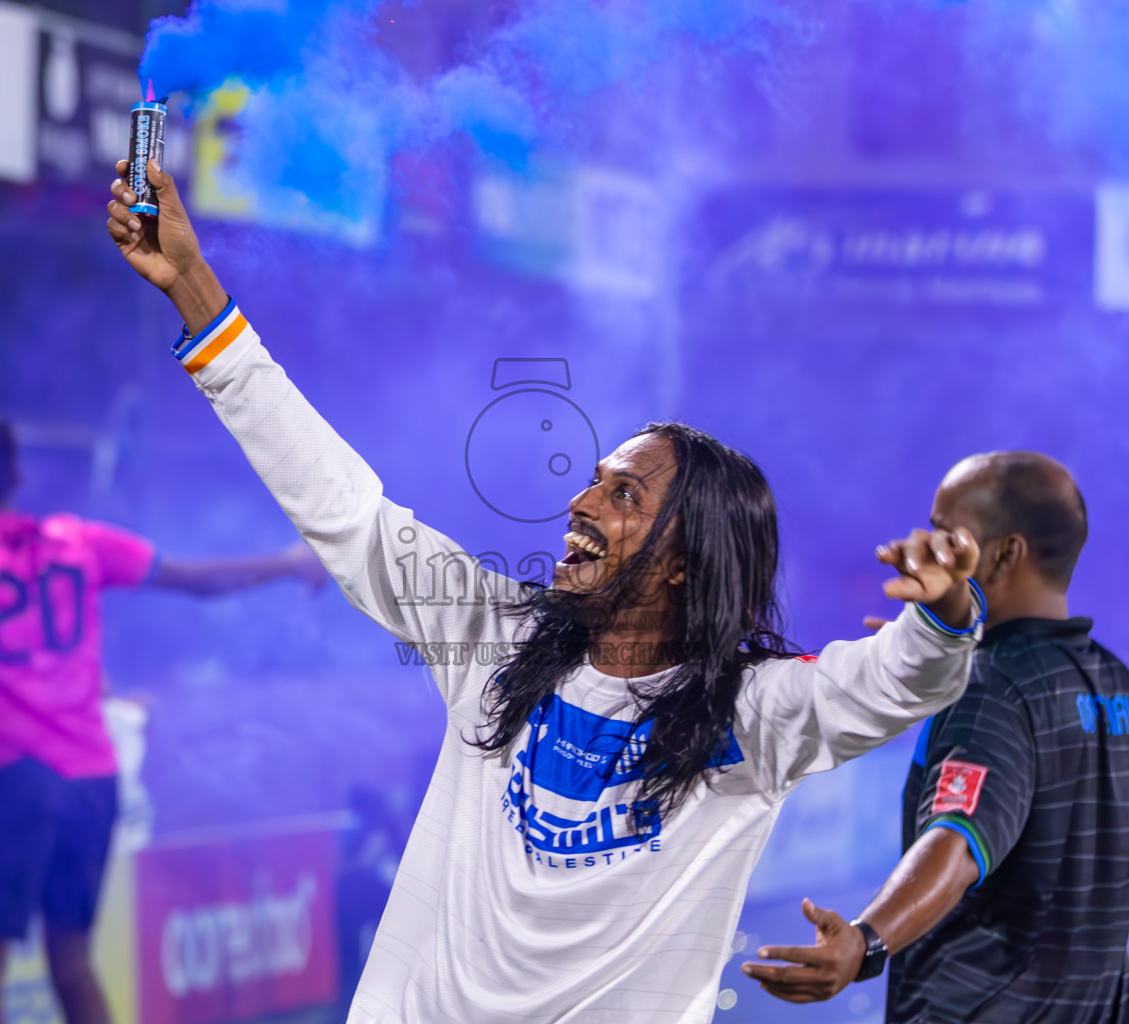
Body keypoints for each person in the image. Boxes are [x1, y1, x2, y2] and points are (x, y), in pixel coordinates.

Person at [107, 160, 985, 1023]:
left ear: (685, 562)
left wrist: (943, 614)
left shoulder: (752, 714)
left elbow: (890, 683)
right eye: (595, 479)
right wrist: (193, 287)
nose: (580, 501)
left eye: (622, 493)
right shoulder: (495, 638)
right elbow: (344, 509)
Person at [0, 407, 328, 1024]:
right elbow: (199, 582)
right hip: (91, 781)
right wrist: (288, 562)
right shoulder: (83, 543)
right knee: (72, 962)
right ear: (17, 475)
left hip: (14, 780)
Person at [743, 453, 1129, 1023]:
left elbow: (957, 843)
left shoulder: (993, 685)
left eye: (947, 532)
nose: (931, 546)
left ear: (1006, 553)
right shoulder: (1117, 683)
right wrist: (940, 661)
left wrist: (866, 941)